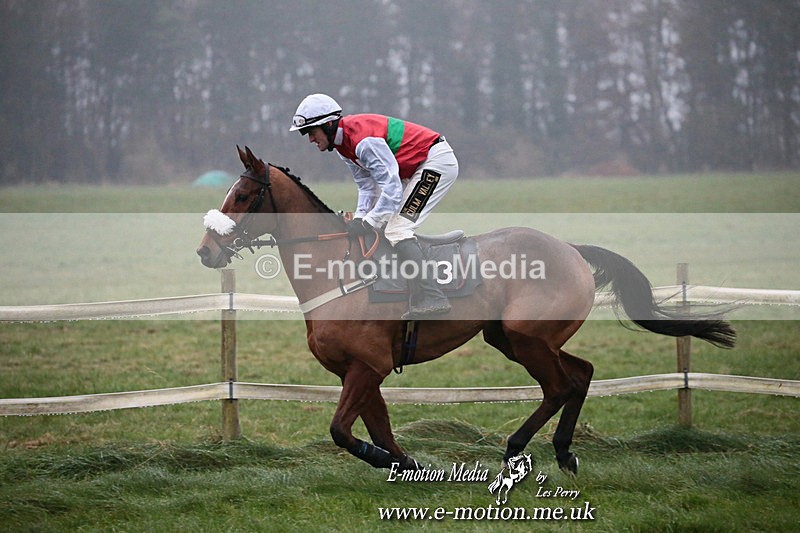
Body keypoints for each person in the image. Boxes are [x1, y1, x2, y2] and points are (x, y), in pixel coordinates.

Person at [289, 93, 459, 319]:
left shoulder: (363, 141)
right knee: (385, 226)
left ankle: (433, 296)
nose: (310, 139)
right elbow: (367, 187)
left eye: (310, 132)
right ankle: (403, 289)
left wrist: (368, 222)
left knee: (397, 229)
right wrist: (360, 218)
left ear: (328, 125)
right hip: (413, 168)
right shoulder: (343, 147)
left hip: (435, 163)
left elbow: (391, 189)